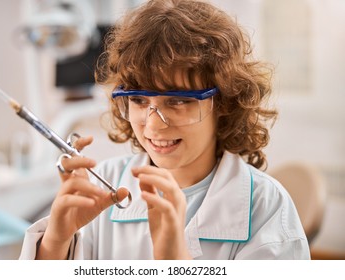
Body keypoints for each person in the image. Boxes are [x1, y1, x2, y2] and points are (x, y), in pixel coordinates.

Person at [19, 0, 310, 260]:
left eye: (179, 100)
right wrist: (56, 242)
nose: (155, 124)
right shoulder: (102, 187)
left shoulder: (269, 212)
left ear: (223, 102)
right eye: (138, 99)